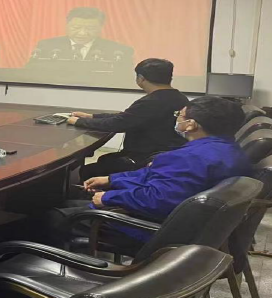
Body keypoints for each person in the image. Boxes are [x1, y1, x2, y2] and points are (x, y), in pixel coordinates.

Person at [46, 96, 251, 247]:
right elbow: (158, 179)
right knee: (68, 203)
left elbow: (157, 200)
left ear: (190, 125)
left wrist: (109, 197)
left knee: (51, 217)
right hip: (189, 225)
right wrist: (111, 179)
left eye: (179, 116)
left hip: (152, 230)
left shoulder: (189, 158)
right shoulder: (229, 150)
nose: (177, 119)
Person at [69, 58, 190, 179]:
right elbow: (128, 117)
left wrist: (79, 122)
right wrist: (91, 116)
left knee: (89, 170)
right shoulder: (179, 97)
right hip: (165, 154)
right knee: (105, 159)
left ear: (140, 78)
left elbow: (117, 124)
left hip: (145, 158)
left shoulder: (151, 102)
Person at [26, 7, 133, 68]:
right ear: (67, 25)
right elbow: (30, 72)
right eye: (76, 27)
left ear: (101, 28)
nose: (82, 33)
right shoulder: (47, 46)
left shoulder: (118, 51)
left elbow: (126, 79)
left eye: (90, 28)